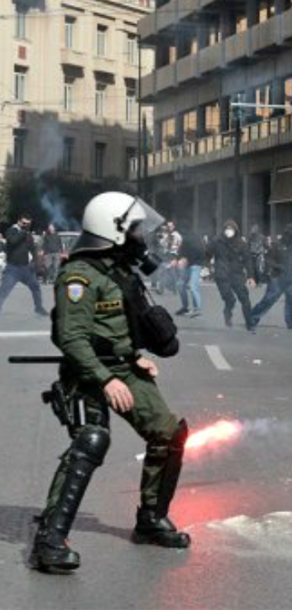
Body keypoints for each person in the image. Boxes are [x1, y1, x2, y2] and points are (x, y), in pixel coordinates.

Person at [30, 192, 190, 573]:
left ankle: (151, 519)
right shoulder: (79, 276)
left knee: (170, 433)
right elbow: (72, 339)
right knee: (91, 440)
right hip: (85, 372)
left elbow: (119, 328)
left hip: (121, 367)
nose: (139, 234)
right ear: (113, 229)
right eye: (134, 228)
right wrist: (104, 380)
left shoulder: (118, 271)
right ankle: (50, 540)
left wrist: (135, 356)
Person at [250, 224, 292, 331]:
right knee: (268, 299)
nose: (290, 237)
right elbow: (268, 260)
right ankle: (252, 317)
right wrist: (278, 267)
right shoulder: (276, 245)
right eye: (288, 234)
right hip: (277, 277)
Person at [208, 220, 256, 330]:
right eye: (227, 229)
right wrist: (207, 266)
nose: (229, 231)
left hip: (237, 274)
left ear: (236, 231)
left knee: (244, 299)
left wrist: (250, 276)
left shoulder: (241, 243)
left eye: (231, 229)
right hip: (222, 275)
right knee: (230, 299)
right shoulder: (216, 241)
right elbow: (207, 254)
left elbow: (248, 260)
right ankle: (227, 313)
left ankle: (249, 323)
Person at [0, 213, 49, 316]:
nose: (26, 225)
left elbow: (32, 248)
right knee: (4, 290)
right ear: (19, 221)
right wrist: (23, 231)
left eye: (28, 224)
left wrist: (35, 263)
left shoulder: (27, 233)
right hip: (13, 268)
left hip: (25, 268)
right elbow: (13, 241)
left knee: (35, 286)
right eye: (24, 223)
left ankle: (38, 308)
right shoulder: (11, 230)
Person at [176, 228, 205, 318]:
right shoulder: (185, 239)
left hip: (195, 265)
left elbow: (200, 252)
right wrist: (180, 259)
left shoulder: (194, 240)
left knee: (193, 287)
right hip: (189, 265)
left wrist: (185, 260)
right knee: (180, 284)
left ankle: (197, 309)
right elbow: (182, 251)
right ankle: (185, 307)